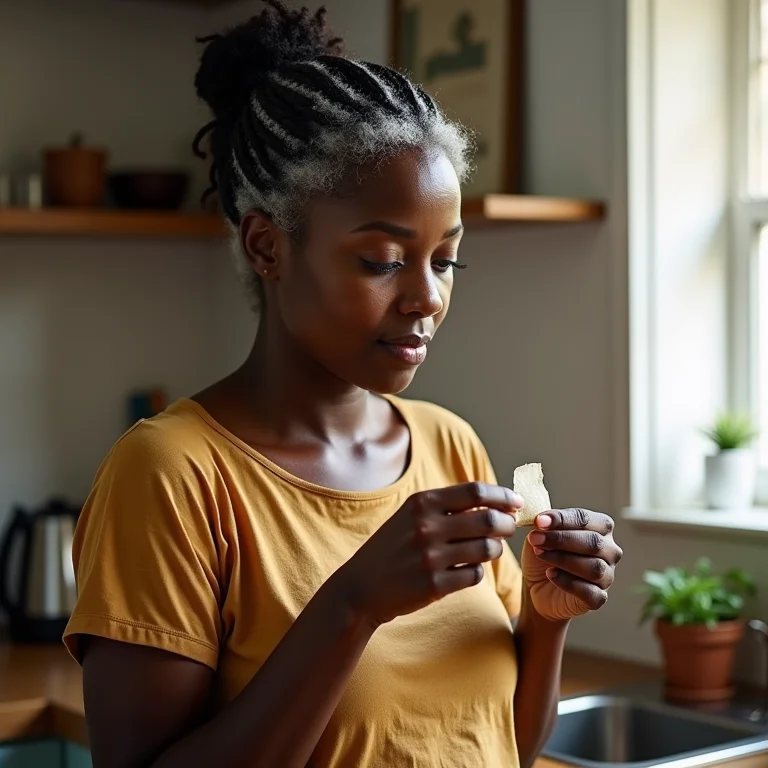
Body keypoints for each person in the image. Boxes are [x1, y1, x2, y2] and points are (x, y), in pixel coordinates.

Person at [63, 3, 623, 767]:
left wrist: (546, 617)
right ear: (268, 246)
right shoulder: (172, 474)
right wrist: (351, 606)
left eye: (446, 260)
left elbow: (507, 746)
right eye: (382, 261)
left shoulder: (450, 444)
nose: (427, 297)